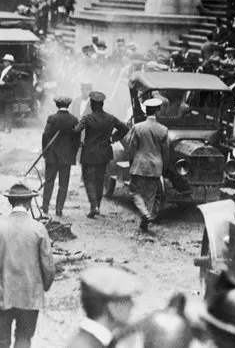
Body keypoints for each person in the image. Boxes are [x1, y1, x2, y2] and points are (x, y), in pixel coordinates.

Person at [0, 183, 55, 348]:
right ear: (29, 203)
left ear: (10, 202)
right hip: (30, 295)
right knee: (24, 338)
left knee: (1, 340)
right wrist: (45, 286)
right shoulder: (39, 229)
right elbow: (48, 265)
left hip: (2, 295)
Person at [74, 91, 129, 218]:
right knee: (99, 180)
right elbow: (125, 128)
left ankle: (94, 206)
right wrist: (112, 139)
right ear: (102, 104)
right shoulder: (111, 118)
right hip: (104, 153)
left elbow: (76, 130)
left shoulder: (87, 118)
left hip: (89, 153)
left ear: (92, 104)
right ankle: (97, 205)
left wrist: (79, 142)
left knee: (88, 180)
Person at [65, 265, 141, 348]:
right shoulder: (85, 345)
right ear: (112, 307)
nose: (132, 305)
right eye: (127, 300)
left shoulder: (94, 341)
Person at [125, 98, 169, 232]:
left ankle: (144, 214)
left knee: (134, 192)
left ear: (146, 111)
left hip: (140, 164)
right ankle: (146, 220)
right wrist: (164, 167)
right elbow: (165, 151)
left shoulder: (138, 127)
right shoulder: (163, 130)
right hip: (156, 166)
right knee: (150, 195)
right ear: (157, 112)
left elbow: (131, 147)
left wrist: (132, 160)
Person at [41, 97, 80, 217]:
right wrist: (72, 154)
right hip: (66, 157)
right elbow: (76, 140)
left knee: (49, 181)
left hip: (52, 156)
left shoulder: (52, 118)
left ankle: (46, 207)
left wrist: (45, 153)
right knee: (63, 184)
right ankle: (59, 209)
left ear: (57, 105)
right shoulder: (73, 120)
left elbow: (45, 136)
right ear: (68, 105)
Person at [0, 54, 18, 133]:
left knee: (8, 112)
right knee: (1, 111)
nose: (4, 62)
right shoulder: (4, 71)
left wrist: (5, 84)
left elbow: (15, 84)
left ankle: (8, 128)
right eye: (4, 61)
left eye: (5, 61)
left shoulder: (13, 72)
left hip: (8, 95)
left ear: (9, 62)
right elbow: (0, 81)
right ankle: (2, 126)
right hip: (2, 94)